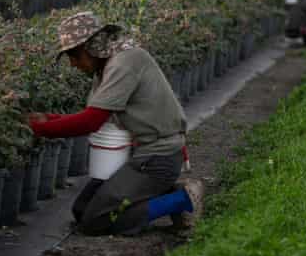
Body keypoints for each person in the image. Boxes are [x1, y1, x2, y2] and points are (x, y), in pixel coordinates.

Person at [27, 12, 203, 236]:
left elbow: (91, 121)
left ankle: (182, 200)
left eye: (73, 54)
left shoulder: (123, 63)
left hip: (158, 158)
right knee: (82, 210)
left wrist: (38, 129)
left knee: (96, 221)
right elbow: (96, 114)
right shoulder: (108, 65)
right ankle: (163, 192)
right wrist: (49, 119)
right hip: (143, 155)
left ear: (91, 46)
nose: (72, 63)